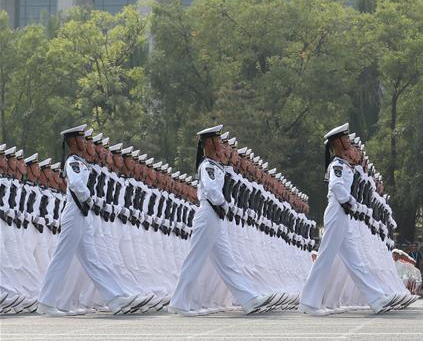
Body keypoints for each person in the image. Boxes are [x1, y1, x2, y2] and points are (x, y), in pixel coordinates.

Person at [39, 125, 151, 316]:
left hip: (82, 214)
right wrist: (89, 197)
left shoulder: (81, 163)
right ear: (73, 142)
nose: (84, 142)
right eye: (81, 140)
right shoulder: (72, 162)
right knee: (61, 257)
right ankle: (46, 302)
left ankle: (115, 299)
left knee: (92, 259)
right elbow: (75, 184)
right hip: (74, 213)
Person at [170, 125, 272, 315]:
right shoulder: (208, 165)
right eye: (217, 141)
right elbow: (210, 189)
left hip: (215, 217)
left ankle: (248, 299)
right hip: (208, 213)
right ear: (208, 144)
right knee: (195, 260)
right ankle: (179, 303)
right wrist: (224, 203)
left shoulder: (215, 166)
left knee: (227, 261)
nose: (221, 145)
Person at [299, 123, 399, 315]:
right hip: (337, 211)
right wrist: (350, 201)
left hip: (342, 214)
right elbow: (337, 187)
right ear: (338, 142)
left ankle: (376, 299)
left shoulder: (343, 165)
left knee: (355, 260)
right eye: (345, 139)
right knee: (325, 258)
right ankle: (309, 303)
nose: (349, 142)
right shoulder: (337, 165)